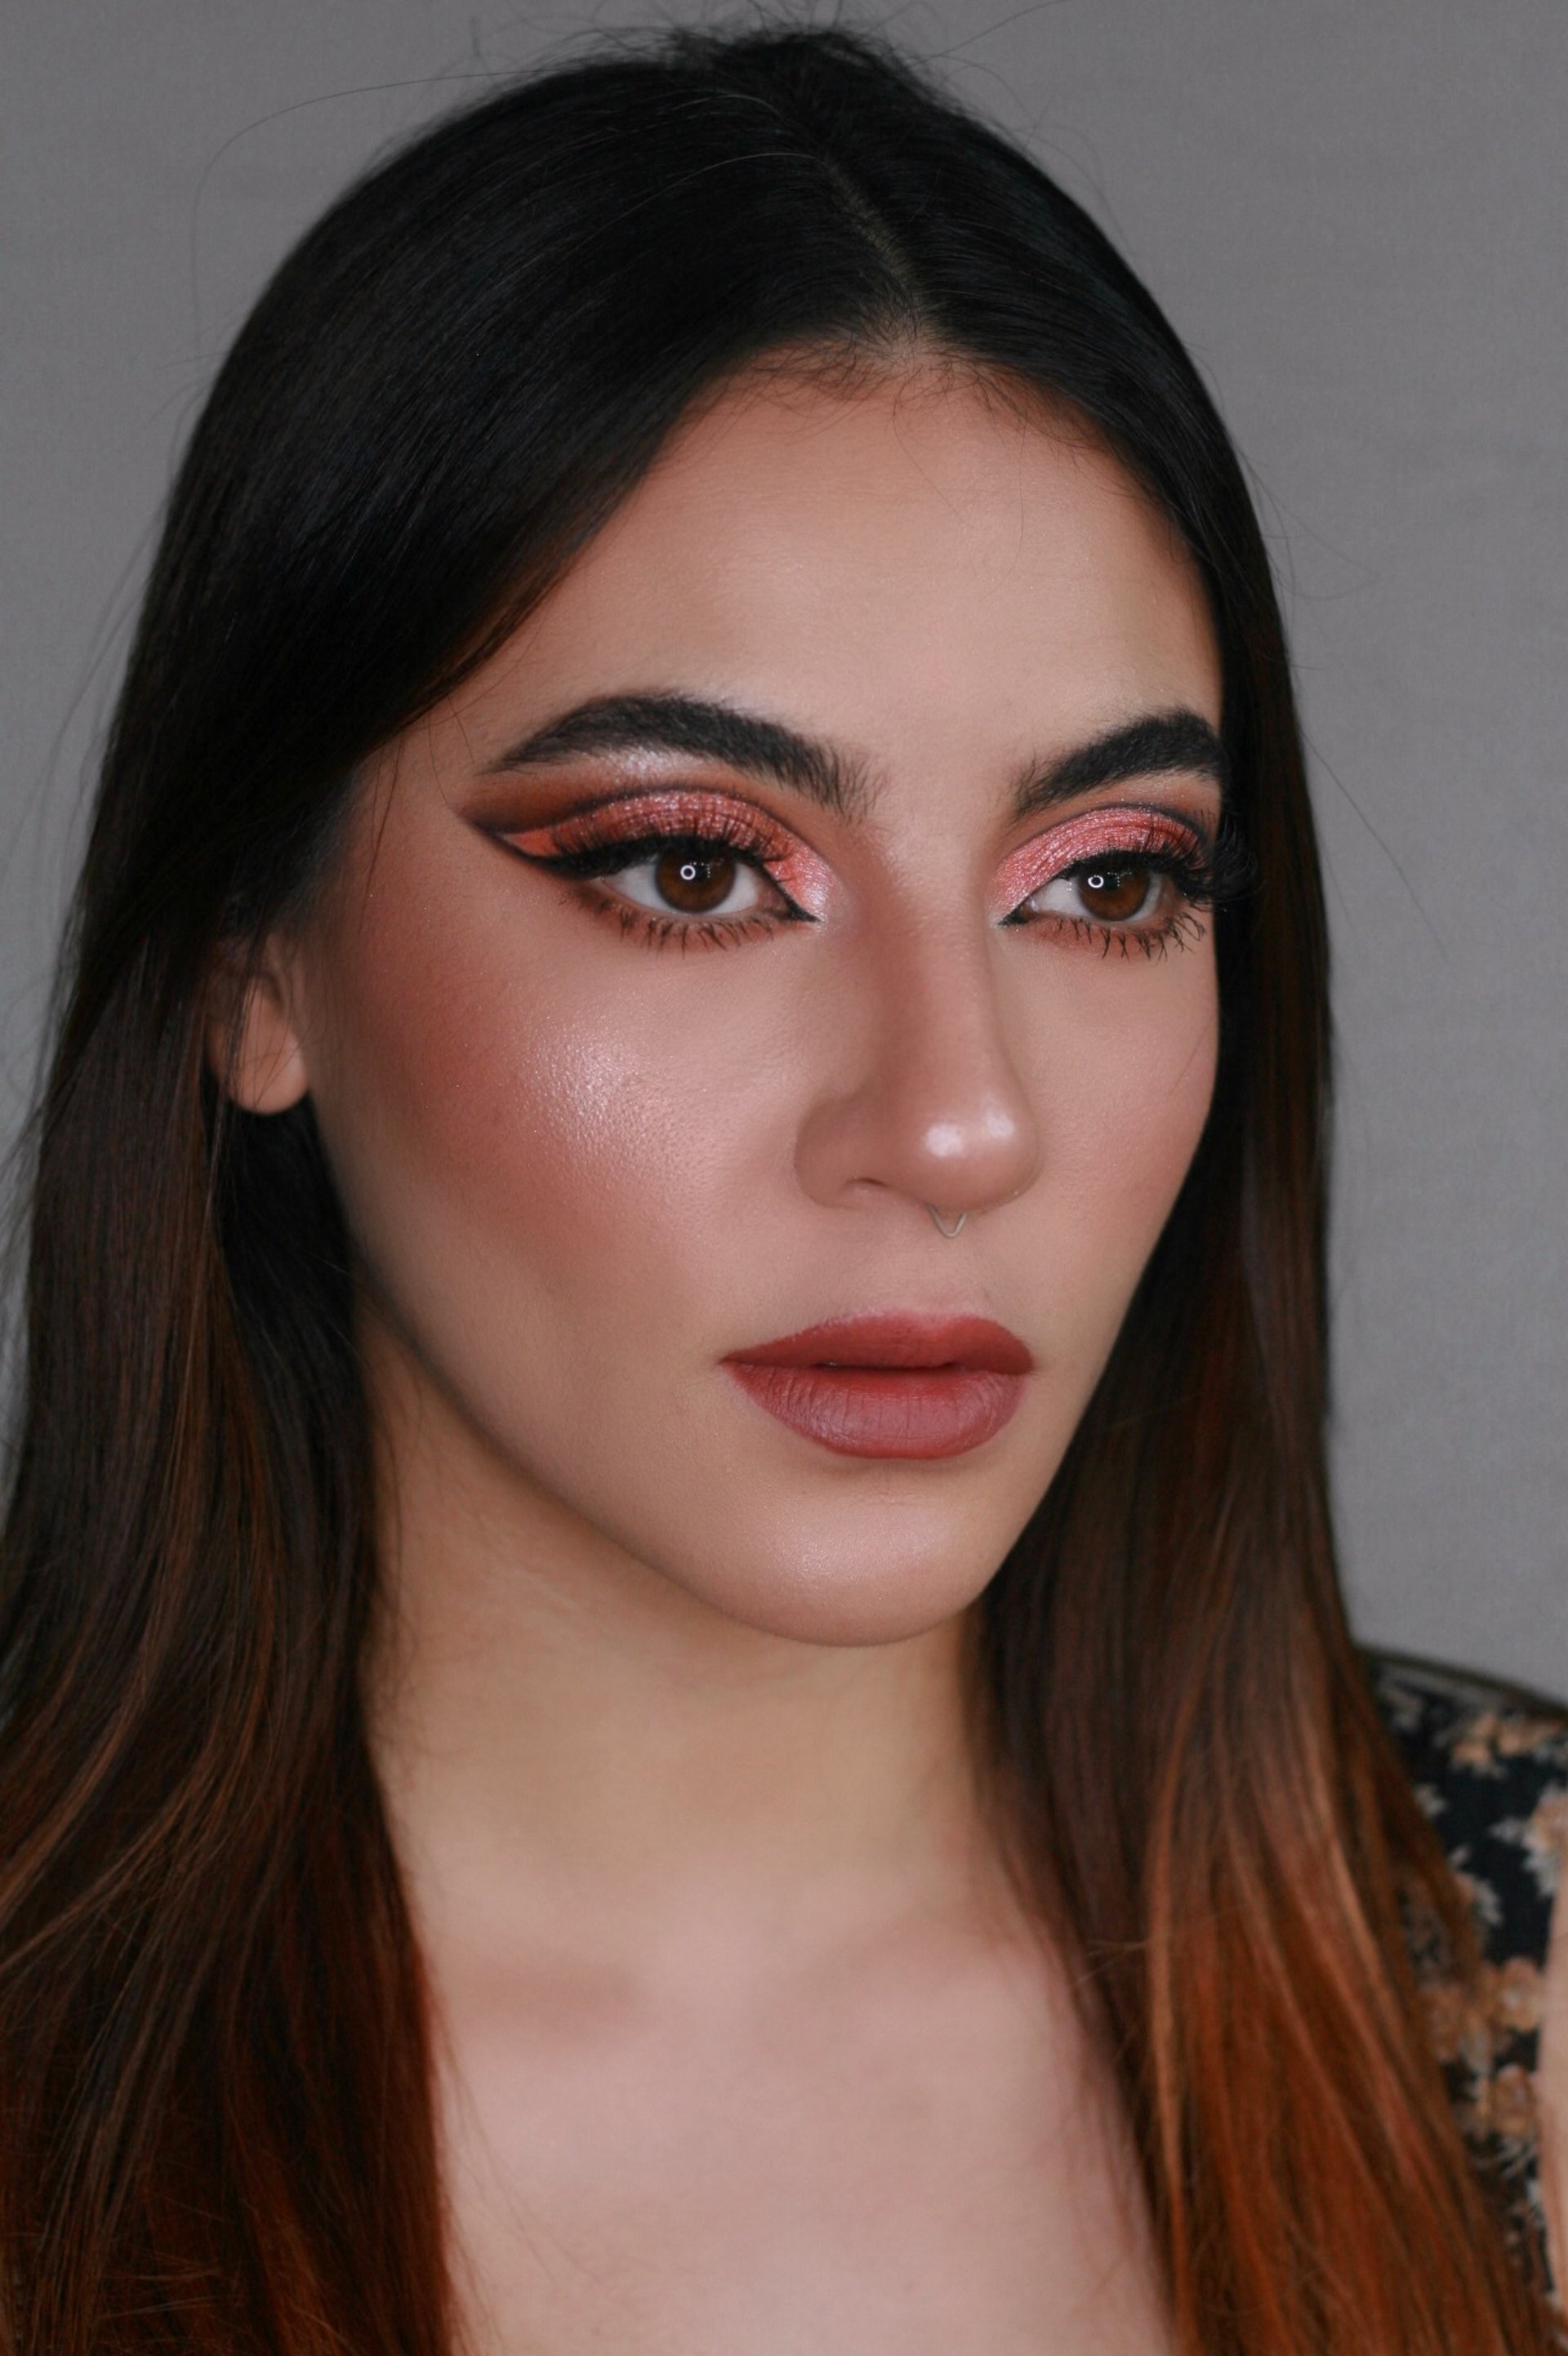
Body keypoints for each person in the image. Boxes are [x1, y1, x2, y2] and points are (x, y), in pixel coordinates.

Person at [0, 22, 1562, 2354]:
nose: (954, 1126)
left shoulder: (1522, 1999)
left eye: (1106, 882)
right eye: (699, 871)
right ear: (254, 959)